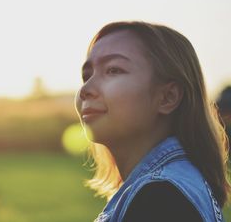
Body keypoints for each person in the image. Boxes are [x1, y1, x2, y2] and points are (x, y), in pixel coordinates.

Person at [74, 21, 231, 222]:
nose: (86, 89)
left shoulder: (161, 200)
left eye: (113, 70)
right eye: (86, 75)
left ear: (168, 97)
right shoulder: (165, 190)